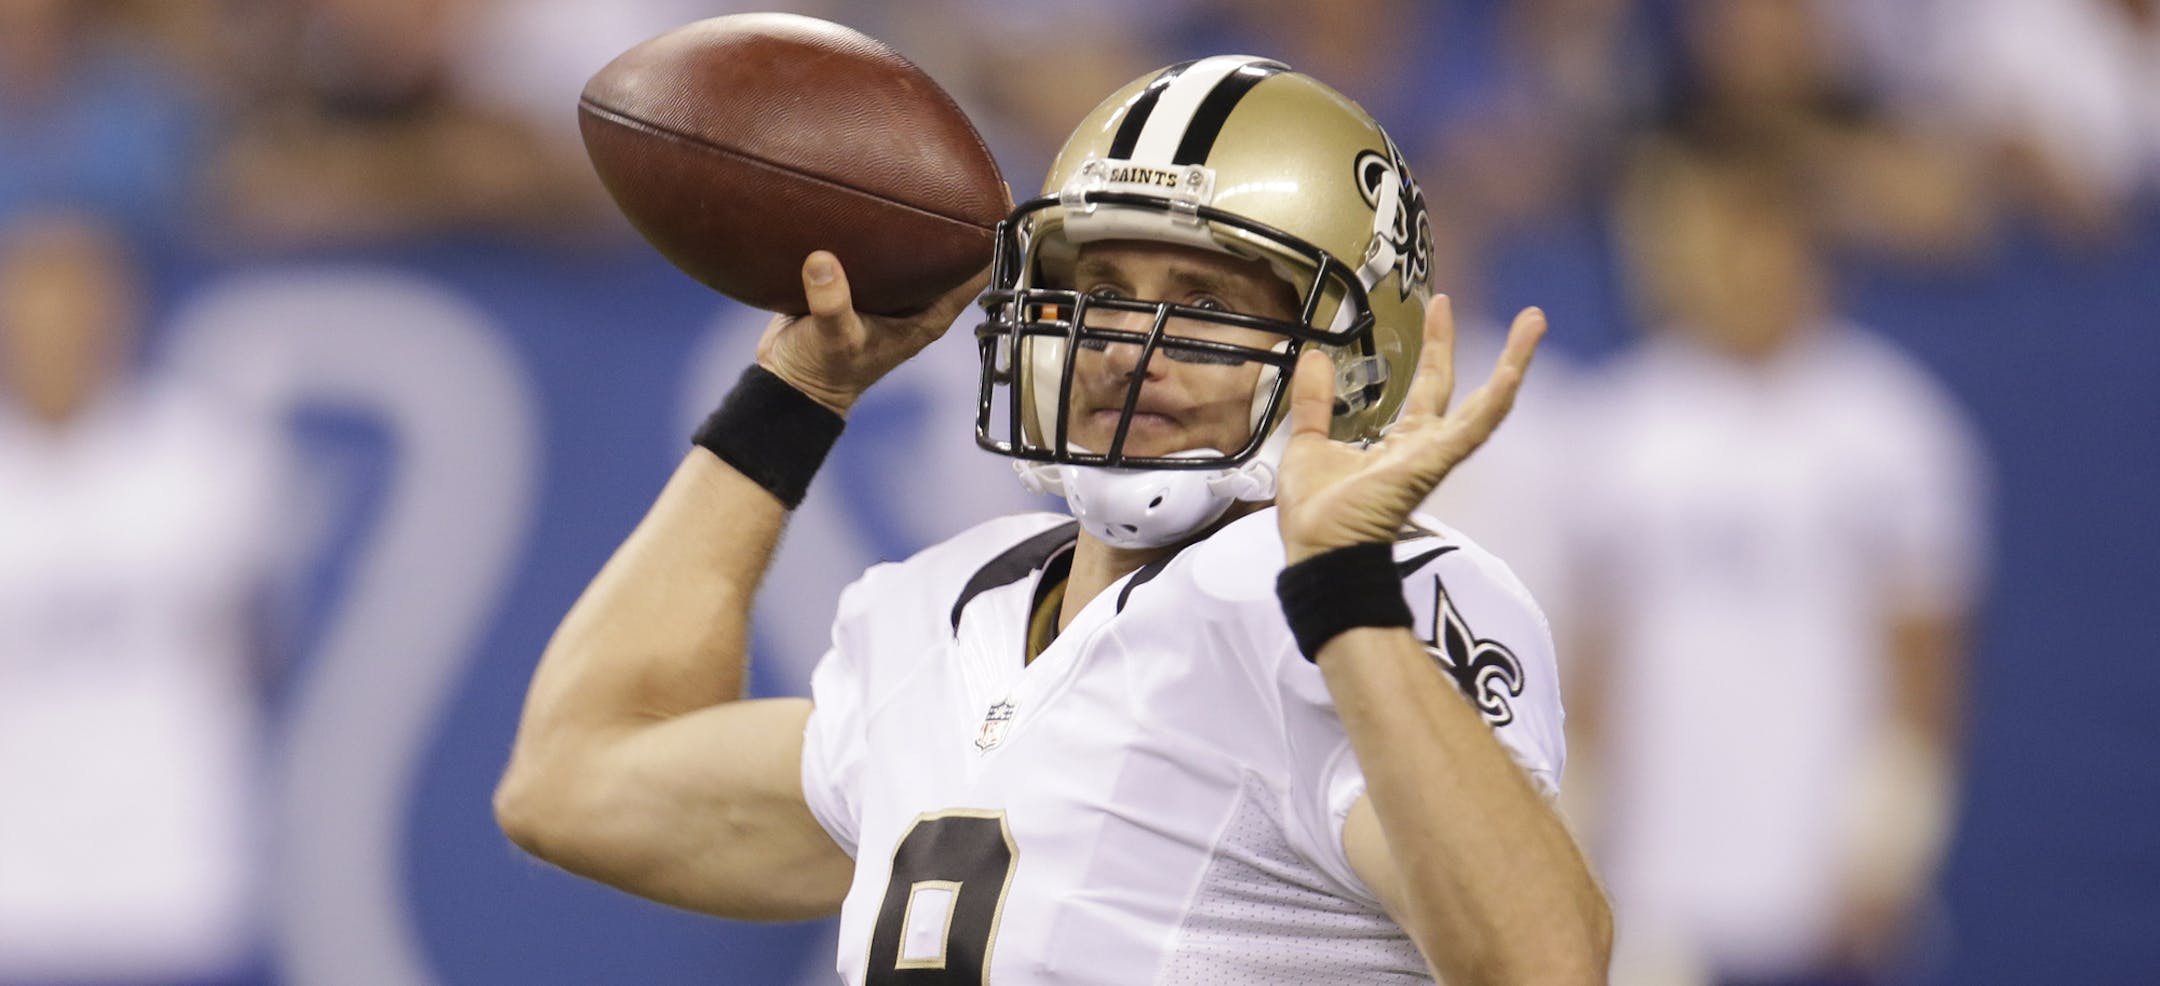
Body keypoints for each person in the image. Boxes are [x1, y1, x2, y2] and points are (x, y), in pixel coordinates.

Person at [496, 57, 1611, 984]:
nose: (1130, 343)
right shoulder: (938, 608)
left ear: (1353, 356)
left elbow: (1543, 964)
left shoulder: (1370, 594)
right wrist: (793, 398)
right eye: (1105, 287)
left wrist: (1347, 592)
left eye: (1211, 302)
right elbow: (575, 780)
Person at [1580, 140, 1987, 986]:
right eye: (1724, 243)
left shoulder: (1894, 425)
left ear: (1811, 252)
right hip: (1657, 889)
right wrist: (1577, 846)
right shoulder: (1616, 426)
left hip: (1824, 892)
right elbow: (1591, 664)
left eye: (1768, 241)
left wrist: (1888, 849)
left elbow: (1927, 666)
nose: (1745, 269)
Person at [0, 211, 281, 986]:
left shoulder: (203, 456)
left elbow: (256, 647)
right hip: (13, 899)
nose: (54, 327)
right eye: (31, 302)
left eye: (75, 300)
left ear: (117, 313)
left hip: (175, 879)